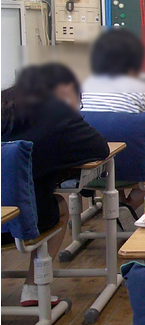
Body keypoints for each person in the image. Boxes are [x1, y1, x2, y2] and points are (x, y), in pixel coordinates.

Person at [1, 64, 110, 306]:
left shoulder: (3, 103)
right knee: (59, 203)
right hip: (17, 225)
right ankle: (33, 288)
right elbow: (100, 148)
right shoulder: (57, 113)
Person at [80, 29, 145, 213]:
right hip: (132, 169)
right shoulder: (143, 90)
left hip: (88, 171)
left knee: (111, 155)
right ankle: (126, 209)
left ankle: (117, 208)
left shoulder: (83, 88)